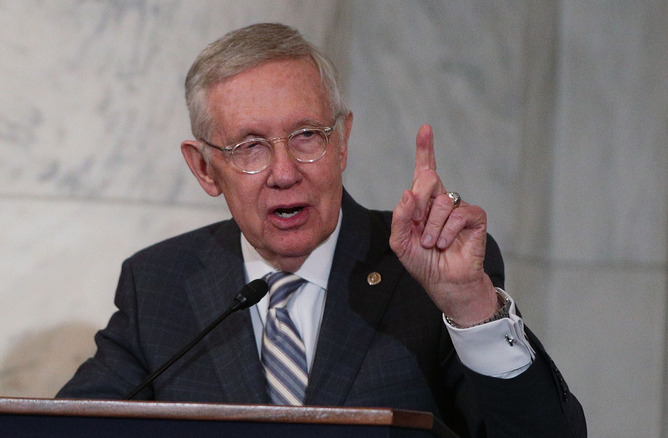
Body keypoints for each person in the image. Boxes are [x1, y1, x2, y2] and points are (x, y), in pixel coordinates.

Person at [57, 23, 586, 437]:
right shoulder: (159, 285)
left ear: (343, 142)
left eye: (307, 135)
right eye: (250, 147)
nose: (285, 172)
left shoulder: (424, 271)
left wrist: (472, 309)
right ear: (203, 169)